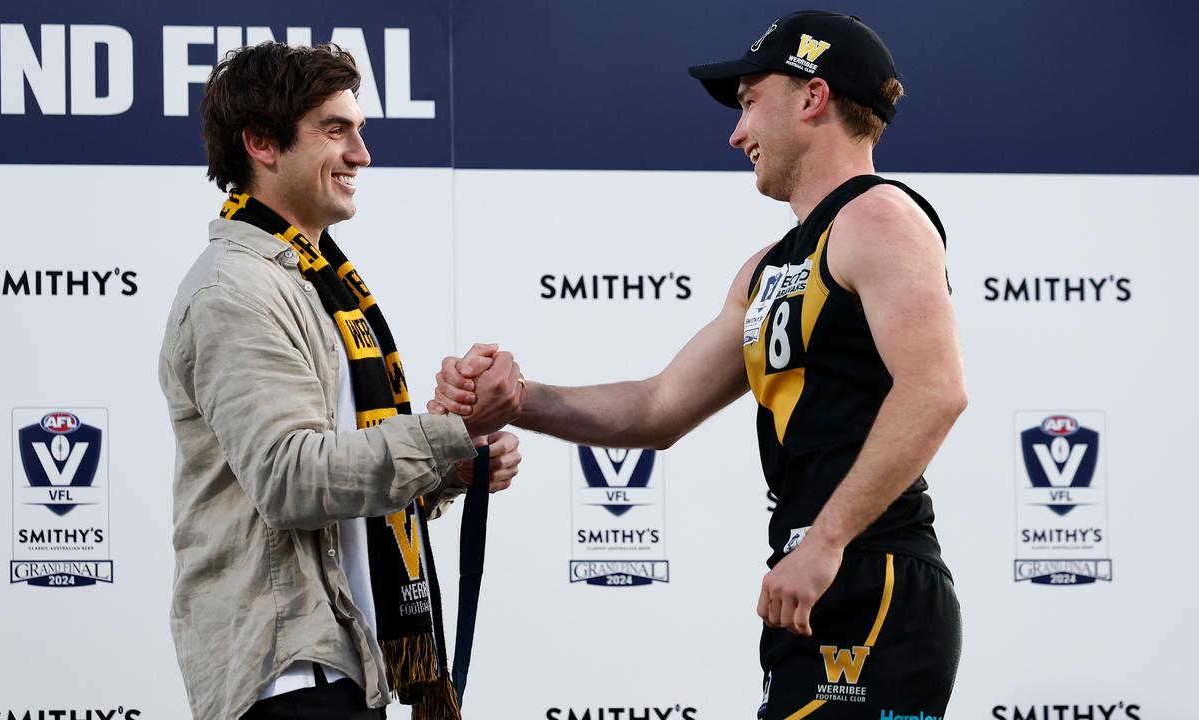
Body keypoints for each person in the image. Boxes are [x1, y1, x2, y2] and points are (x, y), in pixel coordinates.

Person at [432, 11, 965, 719]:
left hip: (874, 572)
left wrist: (827, 542)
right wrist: (517, 398)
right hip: (814, 577)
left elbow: (935, 392)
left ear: (812, 98)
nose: (736, 133)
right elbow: (659, 408)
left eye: (749, 103)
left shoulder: (882, 216)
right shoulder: (768, 268)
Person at [158, 42, 524, 720]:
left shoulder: (323, 283)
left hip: (346, 665)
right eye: (336, 131)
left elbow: (344, 484)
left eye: (359, 131)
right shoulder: (235, 290)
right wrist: (448, 432)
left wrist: (453, 464)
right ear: (262, 143)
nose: (362, 154)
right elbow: (291, 479)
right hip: (285, 678)